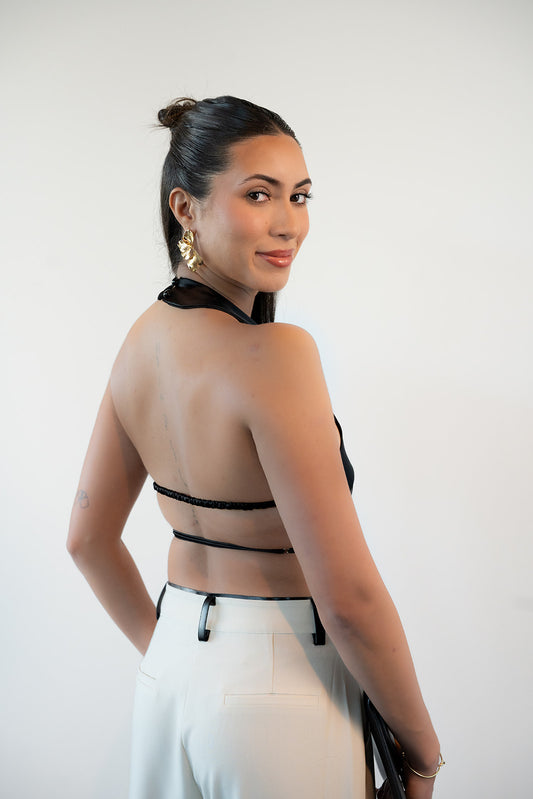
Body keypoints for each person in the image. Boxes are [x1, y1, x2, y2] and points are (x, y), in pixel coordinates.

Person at [67, 95, 442, 799]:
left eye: (299, 196)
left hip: (170, 680)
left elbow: (87, 540)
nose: (287, 223)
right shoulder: (278, 355)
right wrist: (421, 753)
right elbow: (349, 599)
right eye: (258, 194)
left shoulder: (141, 342)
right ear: (185, 208)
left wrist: (181, 660)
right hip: (281, 686)